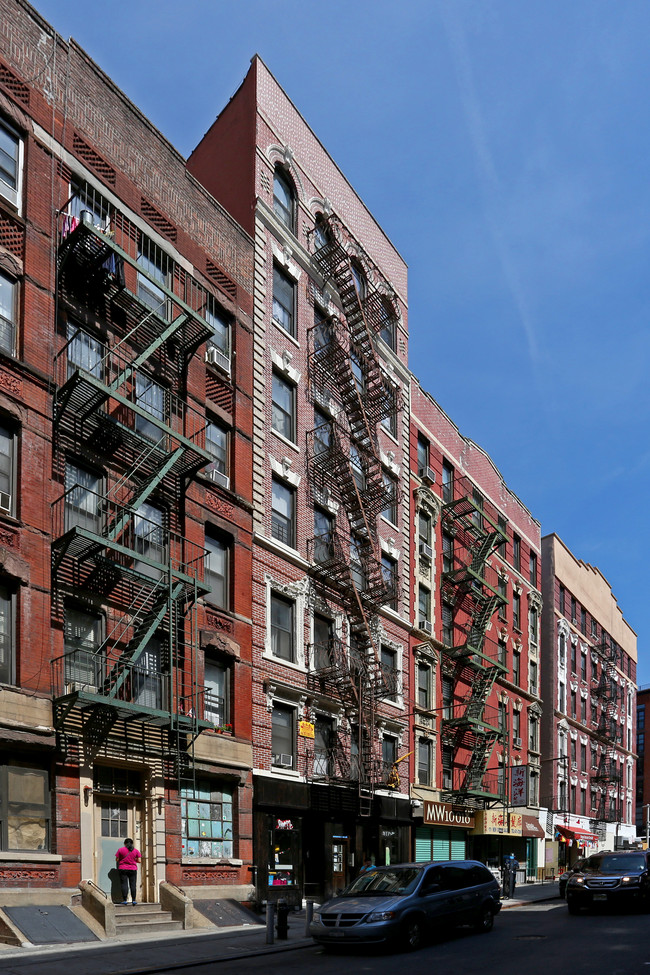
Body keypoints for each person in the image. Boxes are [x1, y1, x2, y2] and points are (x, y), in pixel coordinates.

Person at [116, 837, 141, 905]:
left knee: (124, 884)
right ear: (132, 844)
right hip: (133, 869)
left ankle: (124, 900)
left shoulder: (120, 850)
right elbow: (139, 861)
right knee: (133, 885)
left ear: (125, 844)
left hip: (123, 869)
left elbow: (117, 859)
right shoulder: (136, 851)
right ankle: (133, 900)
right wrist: (133, 860)